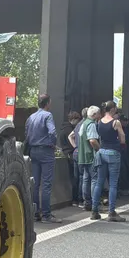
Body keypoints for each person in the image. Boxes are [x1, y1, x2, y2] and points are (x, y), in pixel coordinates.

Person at [90, 101, 128, 222]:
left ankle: (94, 210)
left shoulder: (99, 121)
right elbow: (122, 138)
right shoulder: (116, 122)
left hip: (101, 152)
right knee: (113, 184)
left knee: (99, 182)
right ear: (113, 109)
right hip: (113, 153)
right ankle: (111, 212)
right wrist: (121, 143)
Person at [25, 94, 59, 223]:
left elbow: (26, 135)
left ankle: (35, 213)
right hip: (46, 151)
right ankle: (46, 214)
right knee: (46, 184)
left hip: (33, 151)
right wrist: (53, 143)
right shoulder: (47, 115)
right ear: (47, 103)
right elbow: (52, 132)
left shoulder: (31, 117)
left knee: (35, 183)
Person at [75, 106, 100, 211]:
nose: (100, 116)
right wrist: (99, 149)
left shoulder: (83, 124)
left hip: (82, 156)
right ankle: (94, 204)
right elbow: (92, 140)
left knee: (86, 179)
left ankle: (87, 202)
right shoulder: (91, 124)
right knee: (94, 179)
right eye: (98, 114)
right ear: (94, 115)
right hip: (90, 155)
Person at [64, 110, 83, 207]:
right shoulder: (70, 129)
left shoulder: (64, 128)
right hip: (72, 153)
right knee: (77, 177)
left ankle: (75, 199)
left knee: (75, 177)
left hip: (69, 153)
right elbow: (70, 137)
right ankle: (77, 199)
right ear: (74, 119)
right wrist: (76, 147)